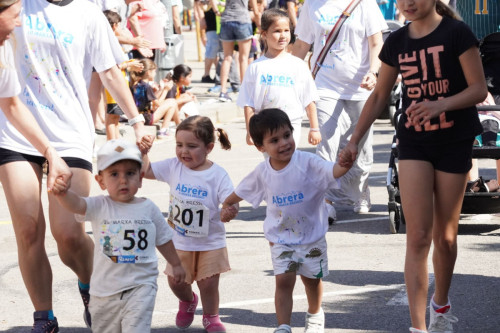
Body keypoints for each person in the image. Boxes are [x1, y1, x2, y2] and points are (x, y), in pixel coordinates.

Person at [338, 1, 487, 332]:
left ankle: (441, 305)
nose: (408, 3)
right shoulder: (397, 42)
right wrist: (353, 140)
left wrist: (441, 105)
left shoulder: (456, 33)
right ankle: (418, 328)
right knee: (418, 236)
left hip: (454, 141)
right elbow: (379, 95)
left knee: (445, 237)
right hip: (414, 143)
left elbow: (479, 89)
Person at [5, 0, 153, 331]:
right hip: (15, 132)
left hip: (69, 133)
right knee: (28, 230)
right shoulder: (18, 5)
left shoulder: (88, 14)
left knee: (69, 233)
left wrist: (137, 120)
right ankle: (44, 317)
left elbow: (110, 71)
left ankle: (91, 288)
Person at [220, 109, 351, 333]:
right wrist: (227, 204)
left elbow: (333, 171)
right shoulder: (263, 172)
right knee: (283, 281)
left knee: (312, 280)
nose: (284, 143)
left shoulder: (308, 162)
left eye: (287, 135)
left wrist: (345, 163)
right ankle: (283, 326)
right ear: (261, 147)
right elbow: (241, 190)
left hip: (312, 237)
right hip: (281, 239)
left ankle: (315, 314)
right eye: (274, 140)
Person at [53, 139, 185, 332]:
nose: (123, 180)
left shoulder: (148, 208)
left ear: (140, 178)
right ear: (101, 181)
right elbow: (77, 205)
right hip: (103, 292)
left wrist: (176, 264)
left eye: (130, 173)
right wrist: (63, 194)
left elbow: (163, 238)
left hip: (141, 286)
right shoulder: (99, 206)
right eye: (114, 174)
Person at [292, 0, 387, 220]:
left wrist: (373, 72)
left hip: (359, 87)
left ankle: (360, 190)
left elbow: (376, 42)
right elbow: (302, 45)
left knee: (360, 145)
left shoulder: (365, 4)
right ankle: (324, 200)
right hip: (324, 84)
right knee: (326, 141)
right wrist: (287, 73)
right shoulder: (312, 5)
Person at [141, 115, 234, 333]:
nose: (184, 151)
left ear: (209, 147)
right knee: (175, 282)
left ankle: (211, 317)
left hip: (210, 240)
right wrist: (144, 153)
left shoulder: (217, 174)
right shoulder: (174, 166)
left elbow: (230, 199)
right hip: (179, 241)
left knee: (209, 284)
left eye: (192, 146)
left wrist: (230, 210)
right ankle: (188, 300)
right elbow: (146, 171)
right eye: (179, 145)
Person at [0, 0, 72, 197]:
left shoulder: (5, 47)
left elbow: (12, 106)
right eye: (15, 16)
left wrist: (51, 154)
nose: (19, 23)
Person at [237, 8, 321, 148]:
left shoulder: (298, 65)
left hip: (291, 123)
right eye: (277, 31)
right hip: (265, 125)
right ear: (264, 34)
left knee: (288, 159)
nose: (283, 36)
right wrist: (250, 131)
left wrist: (314, 128)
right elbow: (248, 102)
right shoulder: (255, 67)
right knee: (272, 164)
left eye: (286, 30)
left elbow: (309, 98)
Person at [218, 0, 261, 102]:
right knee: (244, 58)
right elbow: (255, 10)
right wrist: (260, 26)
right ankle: (244, 90)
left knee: (227, 57)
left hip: (226, 20)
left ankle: (223, 91)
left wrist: (216, 11)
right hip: (242, 20)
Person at [129, 58, 179, 139]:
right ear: (148, 72)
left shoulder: (137, 84)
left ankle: (178, 125)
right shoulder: (147, 86)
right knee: (172, 102)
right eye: (154, 71)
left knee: (170, 102)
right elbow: (158, 104)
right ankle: (164, 129)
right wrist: (166, 90)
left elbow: (150, 98)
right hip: (147, 118)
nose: (155, 74)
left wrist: (161, 89)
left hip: (139, 116)